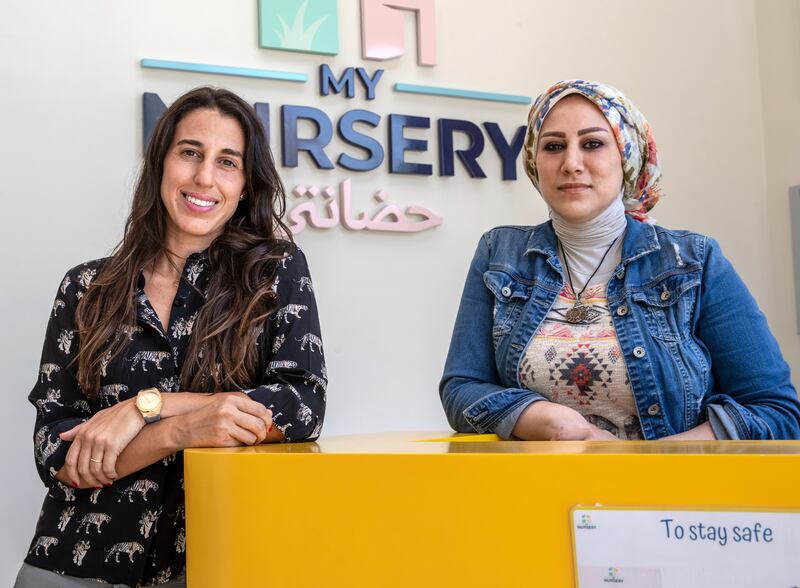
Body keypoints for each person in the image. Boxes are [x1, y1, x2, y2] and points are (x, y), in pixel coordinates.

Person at [18, 87, 326, 587]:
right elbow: (56, 453)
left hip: (217, 561)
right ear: (160, 163)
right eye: (190, 153)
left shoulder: (275, 272)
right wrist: (181, 430)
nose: (205, 177)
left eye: (228, 162)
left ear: (246, 185)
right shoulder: (84, 287)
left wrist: (146, 407)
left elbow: (301, 405)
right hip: (73, 562)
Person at [440, 79, 800, 442]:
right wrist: (546, 419)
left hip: (664, 494)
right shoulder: (499, 253)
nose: (571, 163)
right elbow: (461, 390)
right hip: (534, 493)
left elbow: (774, 410)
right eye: (553, 146)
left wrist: (650, 462)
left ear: (627, 157)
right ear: (535, 163)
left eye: (592, 143)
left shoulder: (694, 261)